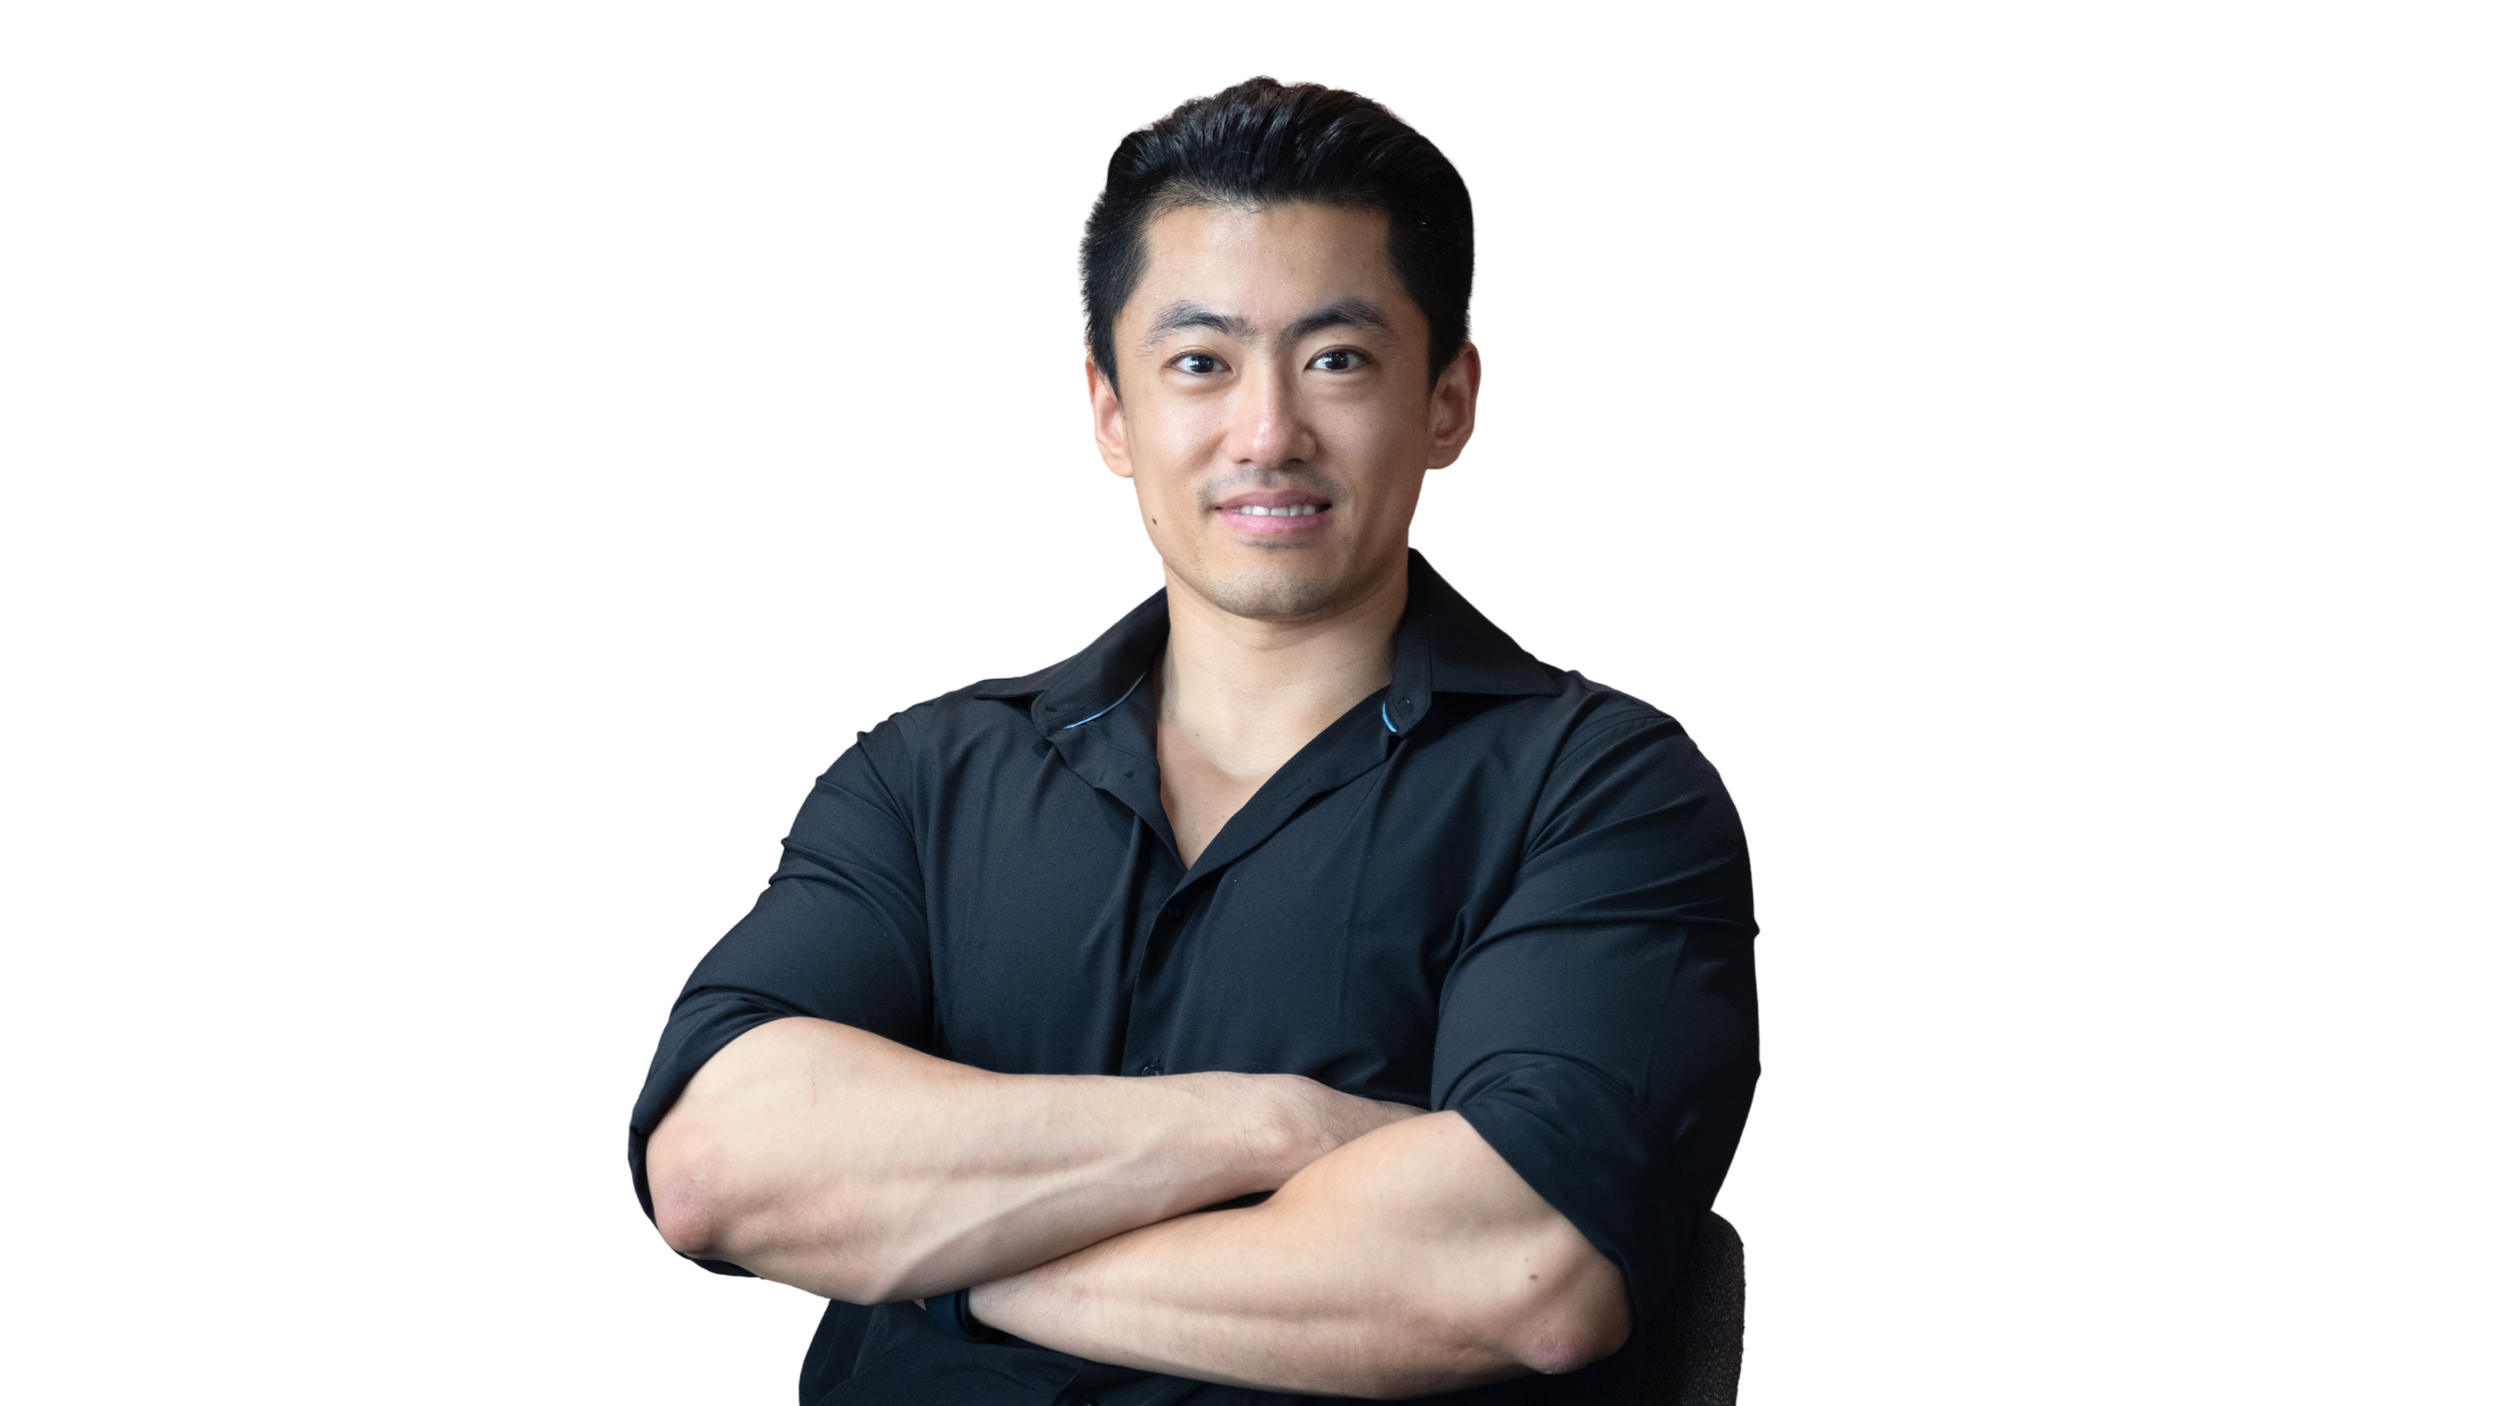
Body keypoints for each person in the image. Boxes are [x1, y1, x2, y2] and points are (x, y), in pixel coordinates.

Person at [627, 75, 1760, 1404]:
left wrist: (933, 1250)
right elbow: (713, 1166)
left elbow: (1518, 1271)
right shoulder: (924, 777)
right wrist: (1277, 1126)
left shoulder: (1606, 792)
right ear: (1109, 411)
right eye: (1199, 363)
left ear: (1449, 403)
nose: (1267, 433)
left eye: (1337, 359)